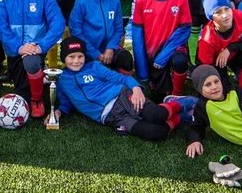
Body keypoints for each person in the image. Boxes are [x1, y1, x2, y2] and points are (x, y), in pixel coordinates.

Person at [47, 36, 194, 141]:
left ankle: (180, 103)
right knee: (156, 132)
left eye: (80, 56)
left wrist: (136, 89)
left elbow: (121, 79)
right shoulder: (61, 79)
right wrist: (58, 112)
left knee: (156, 116)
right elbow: (67, 102)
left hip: (121, 97)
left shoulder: (94, 67)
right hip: (111, 117)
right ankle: (181, 116)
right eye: (71, 57)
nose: (76, 61)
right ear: (64, 58)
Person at [0, 0, 65, 119]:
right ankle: (39, 81)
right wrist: (18, 47)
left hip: (35, 50)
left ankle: (37, 99)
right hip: (15, 51)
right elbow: (1, 27)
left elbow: (58, 24)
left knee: (31, 64)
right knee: (21, 94)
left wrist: (41, 46)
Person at [132, 0, 192, 101]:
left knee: (180, 61)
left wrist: (163, 56)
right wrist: (142, 73)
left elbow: (184, 30)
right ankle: (153, 82)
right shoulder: (142, 0)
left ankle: (177, 94)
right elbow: (137, 37)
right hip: (151, 53)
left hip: (172, 50)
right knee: (157, 97)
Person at [68, 0, 134, 75]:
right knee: (94, 72)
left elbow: (118, 30)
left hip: (109, 51)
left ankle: (121, 79)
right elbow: (76, 32)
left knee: (126, 58)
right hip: (88, 51)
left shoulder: (114, 2)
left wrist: (110, 48)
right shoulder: (81, 3)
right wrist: (95, 54)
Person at [196, 0, 242, 96]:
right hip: (215, 63)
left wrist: (230, 48)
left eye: (227, 9)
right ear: (211, 17)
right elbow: (206, 68)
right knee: (224, 92)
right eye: (218, 12)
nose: (225, 15)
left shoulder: (240, 16)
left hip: (234, 54)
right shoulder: (207, 39)